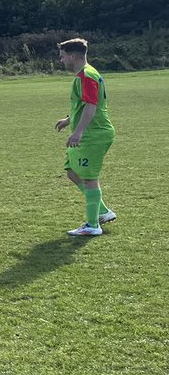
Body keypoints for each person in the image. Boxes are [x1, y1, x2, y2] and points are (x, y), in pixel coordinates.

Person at [55, 38, 117, 236]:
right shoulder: (84, 75)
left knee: (89, 178)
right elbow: (84, 104)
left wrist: (78, 132)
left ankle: (92, 225)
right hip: (90, 133)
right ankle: (103, 211)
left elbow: (91, 106)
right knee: (72, 171)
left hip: (94, 134)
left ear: (73, 56)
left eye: (63, 56)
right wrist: (68, 120)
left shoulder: (87, 75)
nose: (61, 60)